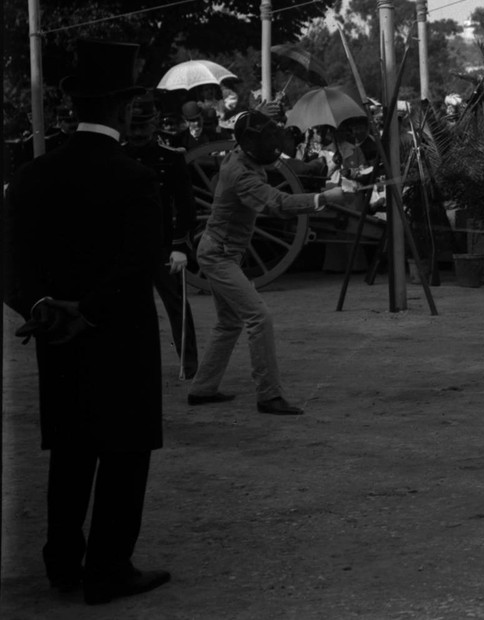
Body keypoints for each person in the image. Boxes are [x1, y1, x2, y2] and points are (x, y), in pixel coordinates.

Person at [5, 39, 171, 605]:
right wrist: (92, 311)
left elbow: (11, 261)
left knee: (71, 451)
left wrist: (41, 307)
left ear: (75, 107)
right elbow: (140, 262)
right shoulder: (134, 177)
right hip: (118, 334)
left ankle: (62, 563)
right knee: (124, 452)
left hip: (55, 336)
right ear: (124, 109)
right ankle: (108, 568)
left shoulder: (33, 175)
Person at [186, 109, 348, 416]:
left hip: (223, 252)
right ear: (249, 143)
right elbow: (279, 203)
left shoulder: (240, 154)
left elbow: (255, 127)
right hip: (219, 255)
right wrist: (324, 198)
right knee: (259, 317)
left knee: (229, 322)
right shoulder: (240, 173)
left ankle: (202, 389)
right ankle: (268, 396)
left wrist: (270, 108)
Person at [123, 93, 200, 378]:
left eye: (144, 125)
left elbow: (186, 207)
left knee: (178, 307)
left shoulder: (170, 159)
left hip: (164, 246)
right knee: (126, 310)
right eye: (133, 126)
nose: (138, 132)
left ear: (155, 124)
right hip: (126, 249)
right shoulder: (118, 157)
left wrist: (179, 245)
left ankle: (189, 365)